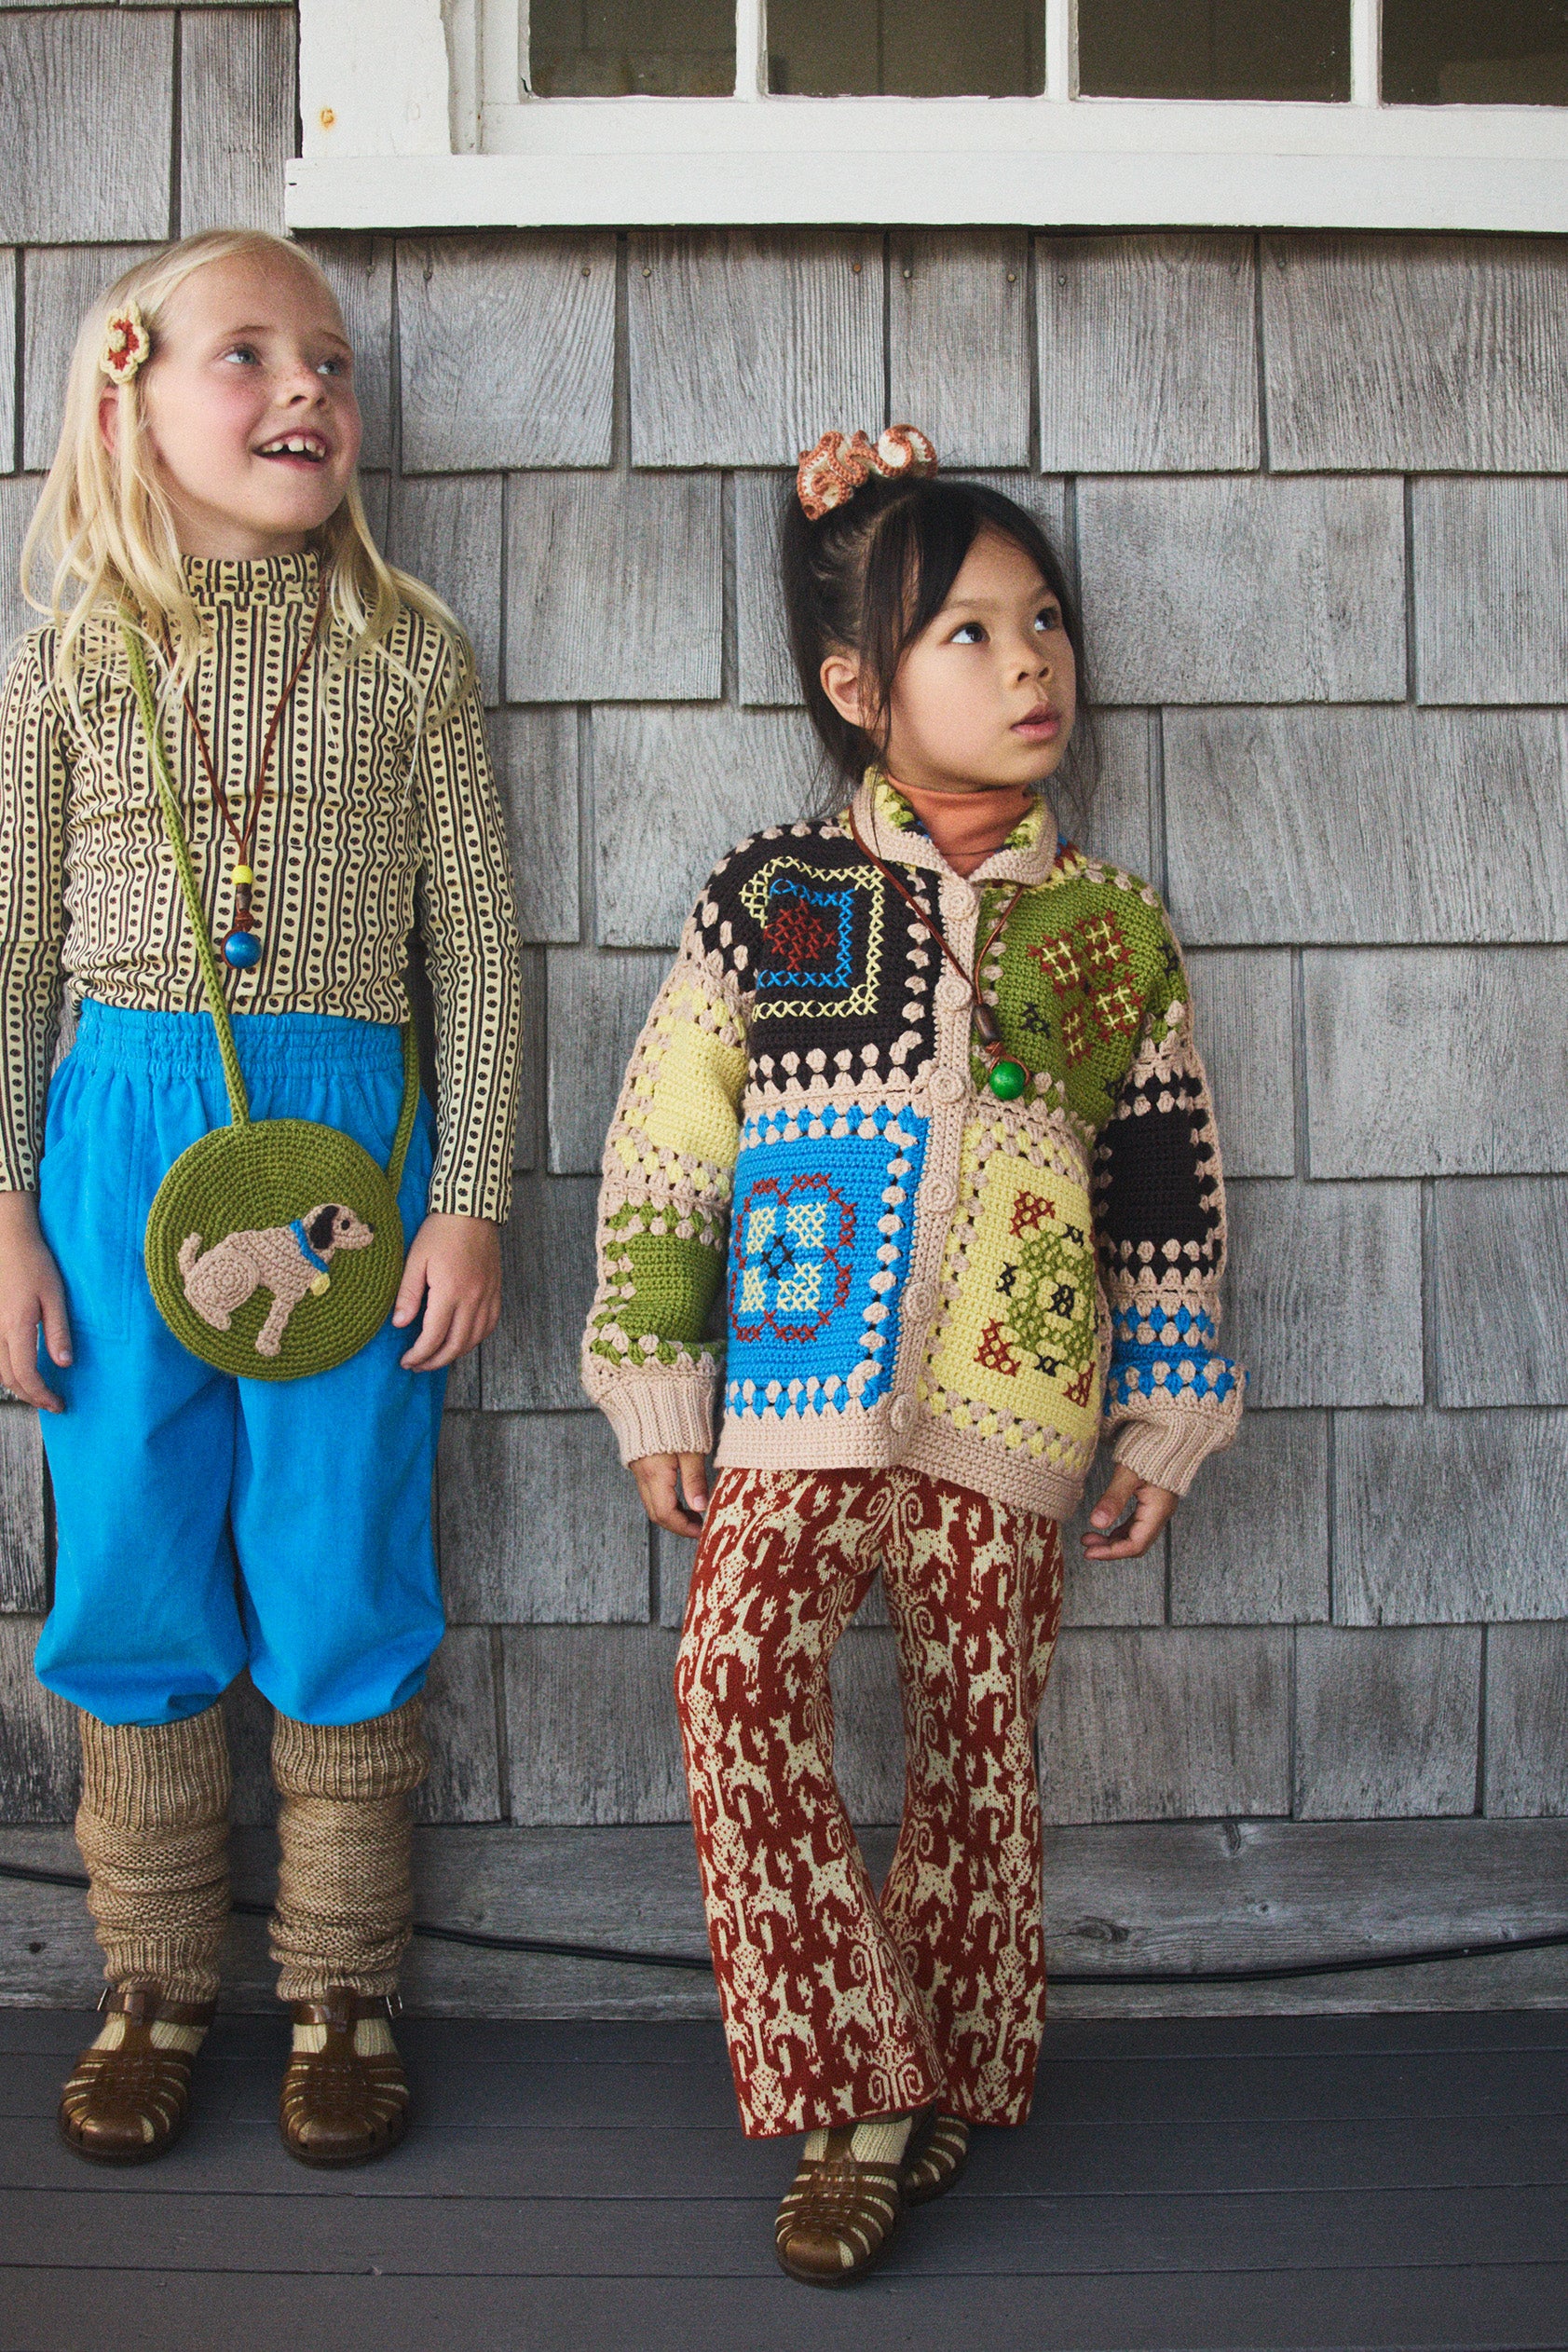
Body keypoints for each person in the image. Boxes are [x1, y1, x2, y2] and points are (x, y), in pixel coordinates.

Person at [581, 426, 1241, 2283]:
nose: (1030, 663)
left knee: (977, 1741)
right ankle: (853, 2079)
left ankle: (938, 2071)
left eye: (1045, 622)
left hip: (1012, 1410)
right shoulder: (773, 899)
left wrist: (1167, 1397)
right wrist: (652, 1368)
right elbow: (666, 1146)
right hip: (794, 1403)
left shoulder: (1108, 930)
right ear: (858, 688)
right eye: (969, 632)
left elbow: (1162, 1183)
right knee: (731, 1684)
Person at [0, 229, 521, 2167]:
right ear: (126, 395)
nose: (307, 387)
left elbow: (478, 951)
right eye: (249, 354)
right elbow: (8, 959)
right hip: (120, 1142)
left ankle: (341, 1984)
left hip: (348, 1157)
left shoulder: (407, 652)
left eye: (332, 362)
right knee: (130, 1547)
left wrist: (467, 1193)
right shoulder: (70, 664)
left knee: (337, 1550)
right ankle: (151, 1978)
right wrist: (4, 1210)